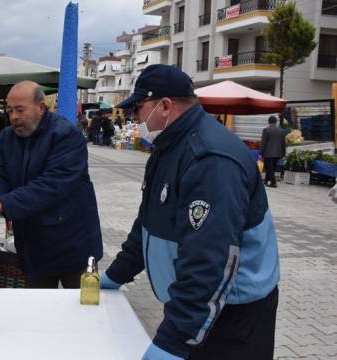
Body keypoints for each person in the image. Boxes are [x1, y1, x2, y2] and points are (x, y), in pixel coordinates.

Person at [100, 65, 280, 360]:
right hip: (201, 308)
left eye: (138, 108)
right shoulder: (168, 148)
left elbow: (210, 258)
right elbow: (148, 221)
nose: (134, 118)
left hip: (231, 313)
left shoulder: (209, 158)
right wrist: (117, 274)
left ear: (165, 106)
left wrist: (173, 340)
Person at [0, 81, 103, 289]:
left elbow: (52, 185)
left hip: (73, 244)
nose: (13, 117)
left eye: (20, 110)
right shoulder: (6, 137)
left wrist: (5, 203)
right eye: (10, 110)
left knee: (82, 311)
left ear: (41, 108)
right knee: (39, 311)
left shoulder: (66, 135)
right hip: (33, 247)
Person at [260, 115, 287, 188]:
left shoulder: (266, 130)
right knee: (271, 168)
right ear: (276, 122)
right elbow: (283, 143)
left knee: (269, 168)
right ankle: (266, 180)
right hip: (278, 153)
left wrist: (261, 153)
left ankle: (273, 183)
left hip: (268, 153)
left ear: (269, 122)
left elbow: (263, 143)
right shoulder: (281, 131)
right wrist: (284, 153)